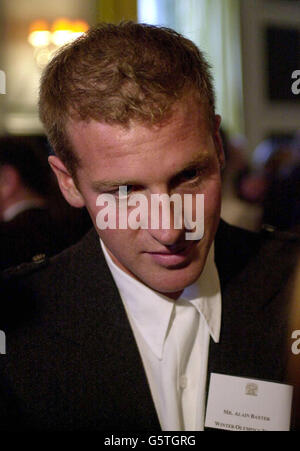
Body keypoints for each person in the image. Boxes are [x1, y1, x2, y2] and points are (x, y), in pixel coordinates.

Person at [0, 22, 299, 431]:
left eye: (190, 175)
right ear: (68, 181)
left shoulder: (294, 284)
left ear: (217, 143)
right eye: (124, 192)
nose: (171, 229)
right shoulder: (14, 325)